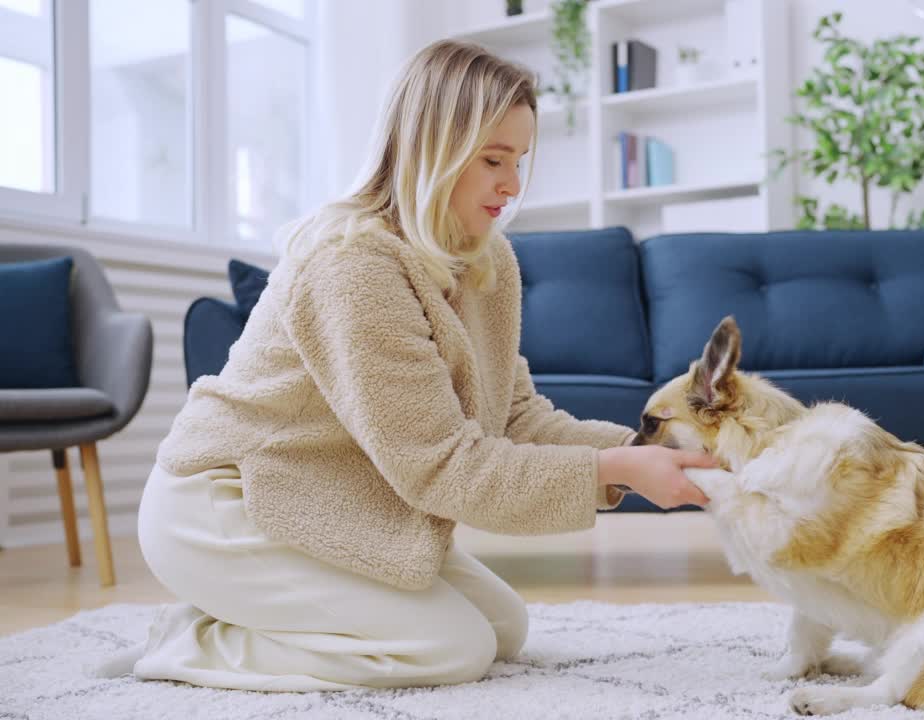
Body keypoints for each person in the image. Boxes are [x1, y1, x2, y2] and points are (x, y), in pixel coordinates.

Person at [105, 39, 715, 692]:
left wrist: (645, 448)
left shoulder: (487, 261)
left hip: (323, 498)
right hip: (226, 504)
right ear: (433, 150)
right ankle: (190, 641)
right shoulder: (353, 266)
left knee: (501, 627)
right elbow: (439, 466)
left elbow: (514, 416)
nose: (512, 185)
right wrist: (619, 469)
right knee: (447, 650)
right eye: (493, 160)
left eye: (519, 160)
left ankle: (266, 610)